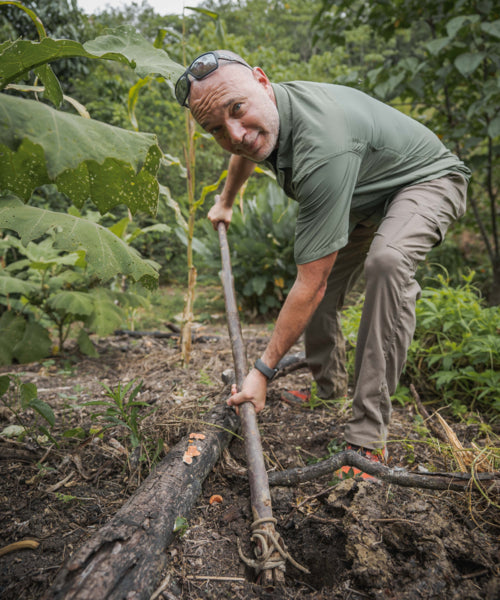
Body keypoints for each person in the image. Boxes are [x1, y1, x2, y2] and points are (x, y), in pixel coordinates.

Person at [175, 50, 470, 476]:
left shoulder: (322, 148)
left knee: (385, 263)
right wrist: (225, 201)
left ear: (262, 80)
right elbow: (243, 145)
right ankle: (329, 390)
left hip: (426, 180)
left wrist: (262, 372)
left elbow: (307, 285)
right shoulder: (262, 115)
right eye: (216, 129)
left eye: (237, 111)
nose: (235, 134)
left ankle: (368, 440)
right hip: (364, 193)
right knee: (325, 287)